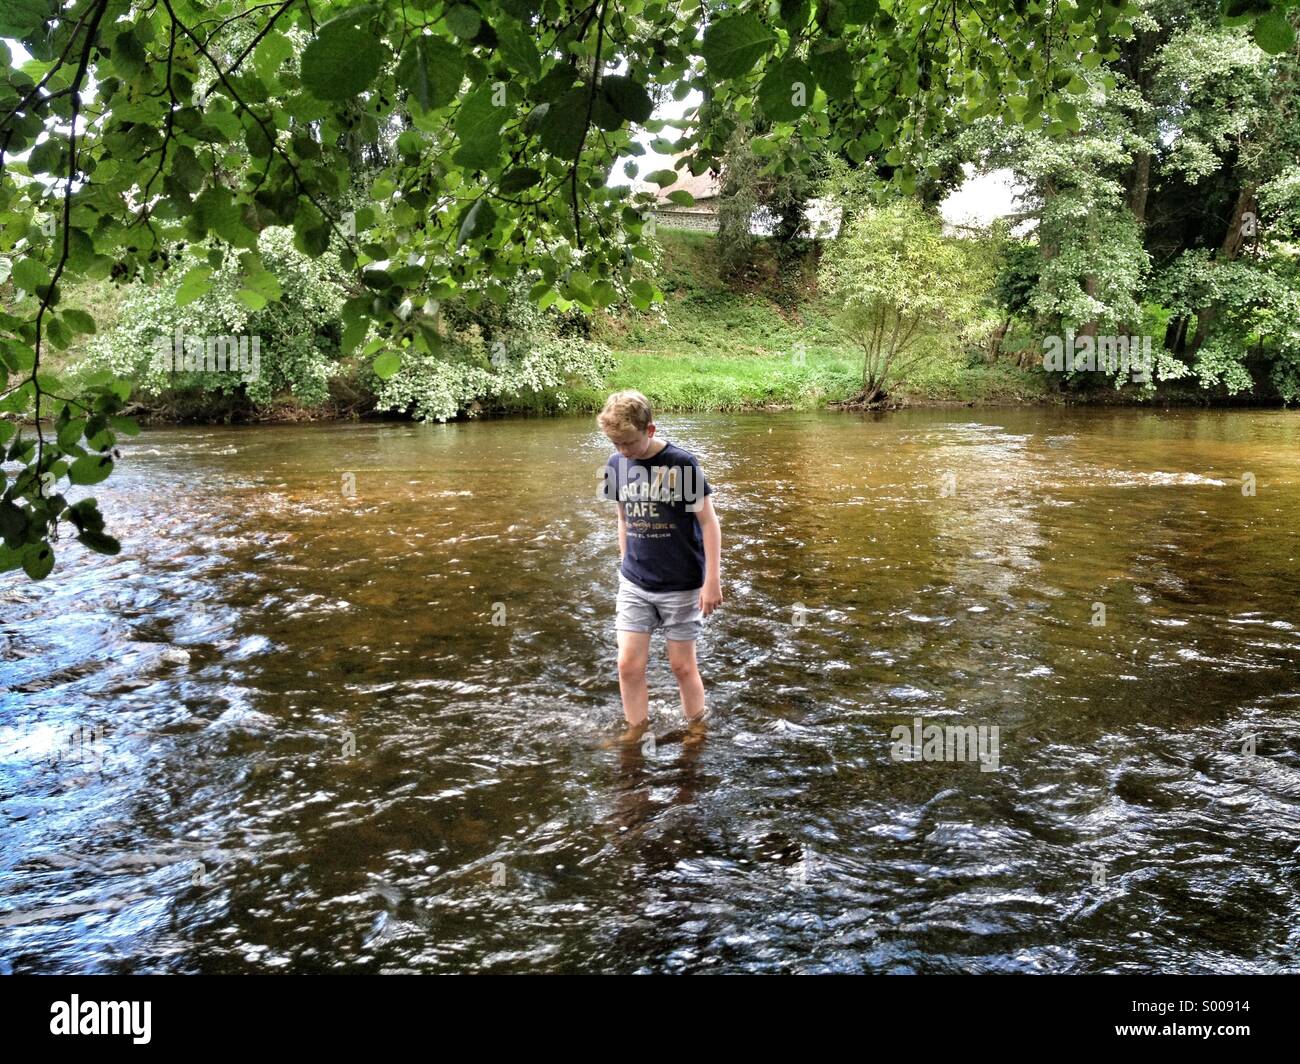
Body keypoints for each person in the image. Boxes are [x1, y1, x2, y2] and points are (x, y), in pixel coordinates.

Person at [596, 390, 722, 741]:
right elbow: (622, 517)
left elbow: (709, 523)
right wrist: (626, 561)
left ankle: (697, 728)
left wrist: (712, 580)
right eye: (615, 442)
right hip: (635, 582)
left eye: (628, 442)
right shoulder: (615, 464)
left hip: (681, 584)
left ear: (649, 430)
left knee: (682, 666)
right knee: (627, 665)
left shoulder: (681, 463)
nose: (623, 450)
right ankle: (636, 732)